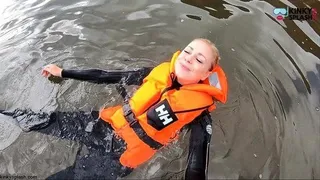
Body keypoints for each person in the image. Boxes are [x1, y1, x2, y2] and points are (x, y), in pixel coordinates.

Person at [2, 38, 227, 179]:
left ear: (207, 73)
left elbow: (196, 166)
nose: (188, 59)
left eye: (199, 59)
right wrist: (63, 72)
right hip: (104, 124)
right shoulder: (156, 73)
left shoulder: (200, 115)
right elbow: (105, 76)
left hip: (119, 156)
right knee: (40, 120)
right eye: (188, 51)